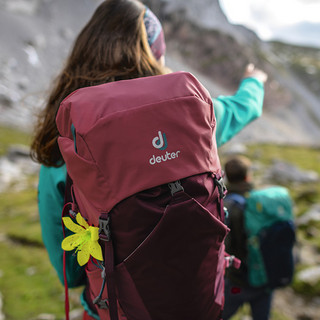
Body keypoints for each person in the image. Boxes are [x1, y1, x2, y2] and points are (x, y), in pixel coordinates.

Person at [30, 0, 268, 319]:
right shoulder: (193, 117)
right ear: (158, 54)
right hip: (198, 302)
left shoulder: (68, 142)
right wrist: (254, 81)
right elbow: (243, 108)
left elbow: (70, 273)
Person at [222, 156, 272, 320]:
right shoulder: (261, 202)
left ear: (227, 177)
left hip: (236, 281)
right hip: (263, 278)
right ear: (247, 177)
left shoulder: (225, 204)